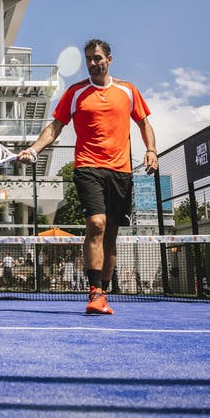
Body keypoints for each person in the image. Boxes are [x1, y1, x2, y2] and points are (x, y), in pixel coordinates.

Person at [18, 38, 157, 315]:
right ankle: (94, 292)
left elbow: (144, 123)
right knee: (96, 223)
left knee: (111, 236)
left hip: (121, 172)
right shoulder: (76, 92)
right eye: (89, 60)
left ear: (109, 59)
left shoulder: (128, 91)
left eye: (97, 58)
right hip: (87, 167)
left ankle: (103, 291)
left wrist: (151, 149)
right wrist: (34, 149)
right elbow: (55, 126)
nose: (93, 64)